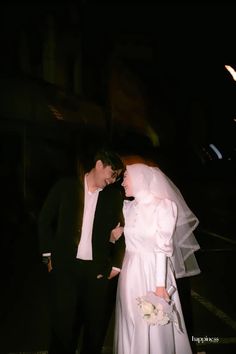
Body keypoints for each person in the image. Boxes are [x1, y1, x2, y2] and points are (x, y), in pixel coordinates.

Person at [38, 148, 125, 354]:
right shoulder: (65, 187)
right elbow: (44, 220)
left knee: (94, 329)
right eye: (112, 173)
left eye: (117, 177)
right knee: (63, 327)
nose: (113, 180)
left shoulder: (113, 196)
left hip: (96, 271)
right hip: (65, 269)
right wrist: (47, 257)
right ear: (98, 165)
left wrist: (116, 264)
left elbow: (123, 230)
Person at [113, 163, 201, 354]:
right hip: (130, 273)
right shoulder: (128, 206)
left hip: (153, 271)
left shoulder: (164, 206)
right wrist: (119, 232)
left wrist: (160, 286)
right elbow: (133, 235)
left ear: (139, 178)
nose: (122, 182)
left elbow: (162, 248)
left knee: (153, 323)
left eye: (126, 177)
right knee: (131, 318)